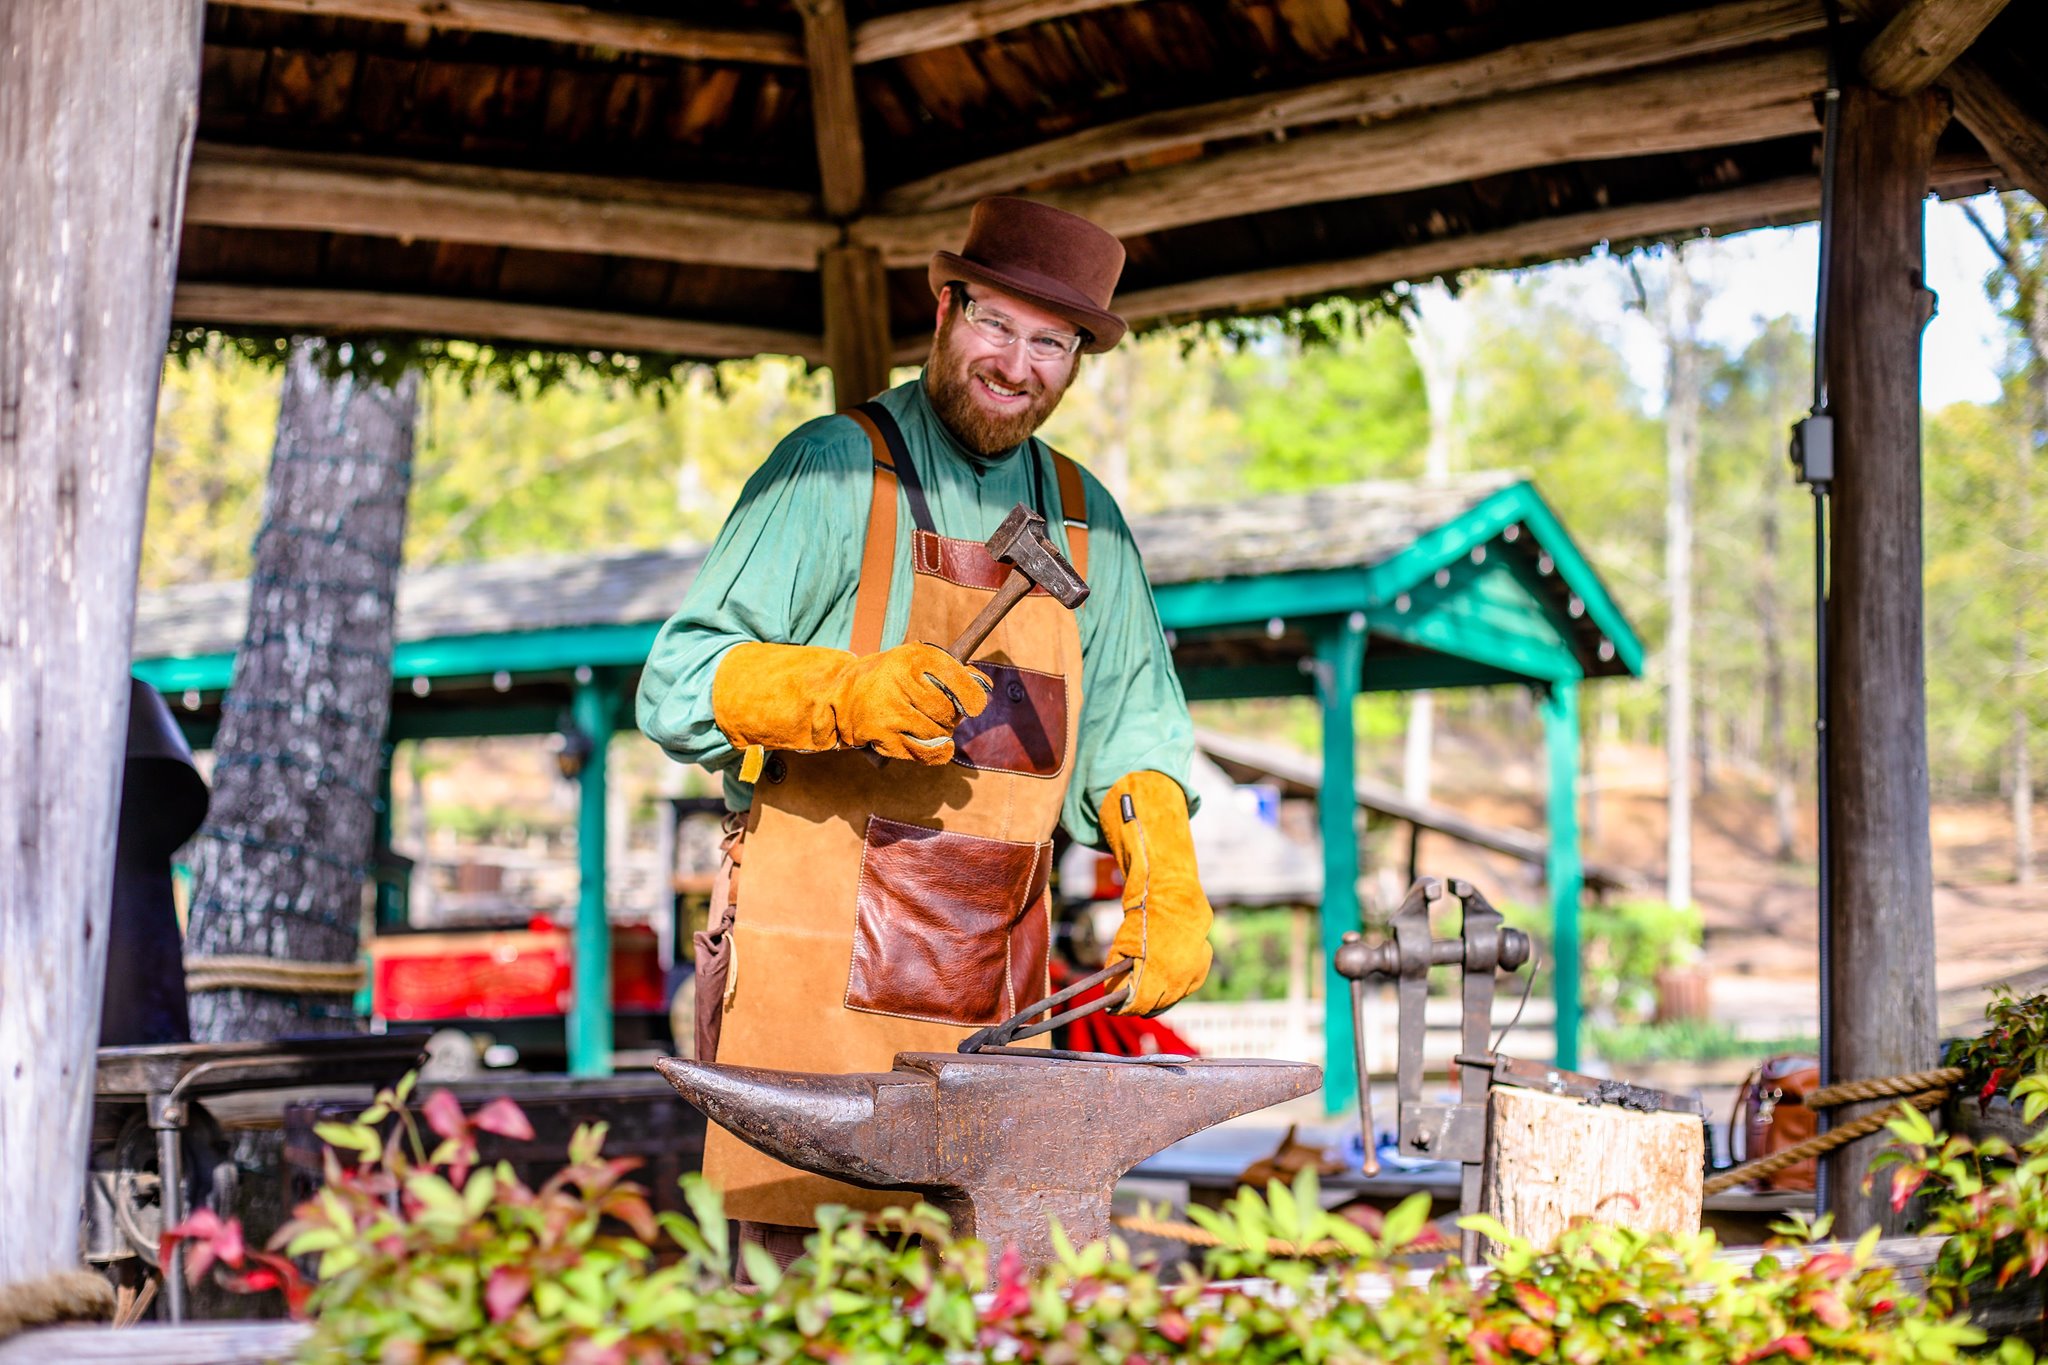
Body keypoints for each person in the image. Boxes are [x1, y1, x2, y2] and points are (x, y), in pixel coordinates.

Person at [636, 196, 1213, 1257]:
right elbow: (674, 685)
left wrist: (1164, 877)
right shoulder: (829, 470)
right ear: (942, 307)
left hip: (991, 1010)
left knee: (980, 1308)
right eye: (996, 324)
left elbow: (1134, 732)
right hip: (809, 1010)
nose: (1017, 365)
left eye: (1052, 343)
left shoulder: (1088, 524)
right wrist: (839, 695)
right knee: (798, 1308)